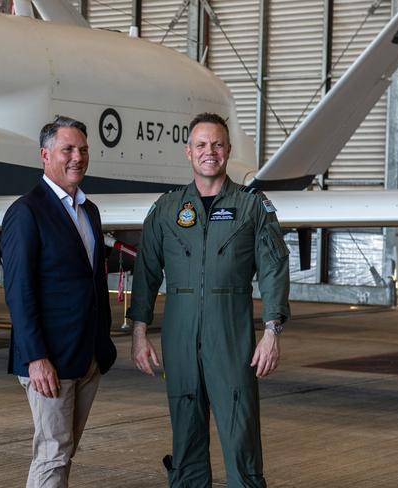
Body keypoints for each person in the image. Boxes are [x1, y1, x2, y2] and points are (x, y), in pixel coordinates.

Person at [128, 112, 290, 488]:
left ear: (228, 150)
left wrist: (272, 330)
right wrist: (139, 332)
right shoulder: (167, 209)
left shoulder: (252, 208)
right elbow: (147, 272)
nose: (209, 152)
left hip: (231, 338)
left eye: (217, 144)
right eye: (201, 145)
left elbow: (273, 268)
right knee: (185, 437)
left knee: (240, 434)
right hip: (179, 337)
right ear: (188, 152)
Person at [0, 116, 117, 488]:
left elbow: (92, 280)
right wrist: (36, 358)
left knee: (63, 451)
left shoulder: (89, 211)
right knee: (52, 453)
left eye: (83, 149)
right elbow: (18, 291)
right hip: (48, 359)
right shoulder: (26, 212)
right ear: (45, 155)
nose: (77, 157)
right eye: (67, 149)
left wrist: (101, 346)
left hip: (86, 356)